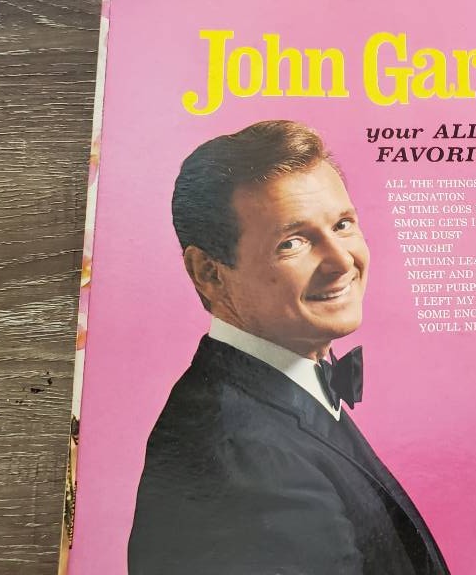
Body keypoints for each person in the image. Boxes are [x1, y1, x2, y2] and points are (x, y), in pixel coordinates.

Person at [127, 120, 449, 575]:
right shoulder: (245, 460)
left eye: (342, 224)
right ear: (209, 273)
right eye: (293, 242)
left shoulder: (274, 393)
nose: (341, 261)